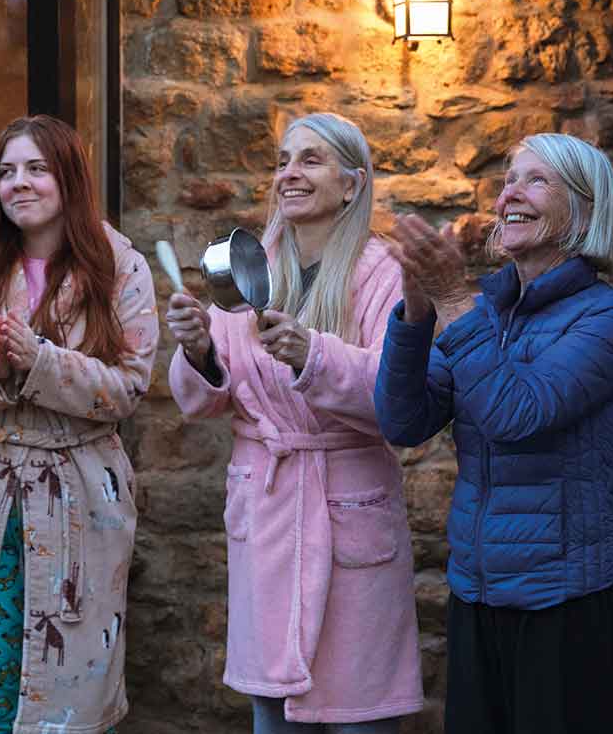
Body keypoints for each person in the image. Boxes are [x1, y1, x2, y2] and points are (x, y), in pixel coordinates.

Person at [375, 133, 613, 734]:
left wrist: (450, 296)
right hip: (480, 593)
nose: (509, 196)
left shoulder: (609, 318)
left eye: (536, 180)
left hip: (567, 601)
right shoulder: (488, 311)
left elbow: (516, 415)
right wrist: (417, 316)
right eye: (508, 181)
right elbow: (404, 421)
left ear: (584, 208)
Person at [166, 112, 424, 733]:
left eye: (310, 160)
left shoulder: (381, 272)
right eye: (283, 161)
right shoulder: (252, 266)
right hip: (270, 507)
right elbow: (202, 400)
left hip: (347, 503)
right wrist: (199, 349)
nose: (289, 173)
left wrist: (314, 355)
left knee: (360, 710)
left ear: (352, 183)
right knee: (274, 712)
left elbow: (399, 397)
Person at [0, 115, 158, 734]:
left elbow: (128, 388)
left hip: (77, 498)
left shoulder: (119, 267)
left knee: (63, 688)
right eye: (6, 171)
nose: (18, 183)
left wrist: (41, 361)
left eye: (36, 168)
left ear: (69, 177)